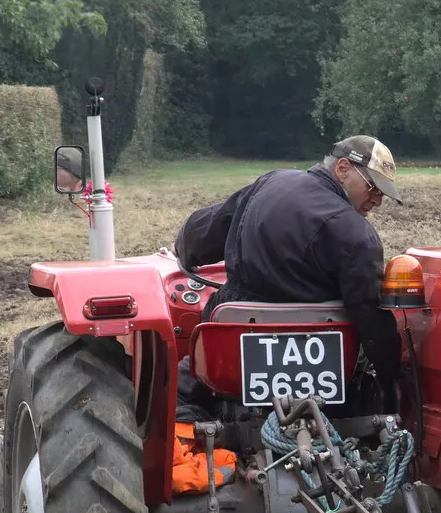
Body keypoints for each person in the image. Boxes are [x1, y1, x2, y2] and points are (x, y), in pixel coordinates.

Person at [174, 135, 405, 391]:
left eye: (383, 194)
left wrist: (186, 249)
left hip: (233, 337)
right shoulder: (359, 234)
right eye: (373, 188)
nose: (378, 200)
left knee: (180, 390)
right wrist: (391, 378)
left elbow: (209, 229)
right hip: (321, 357)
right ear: (342, 169)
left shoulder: (272, 182)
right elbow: (370, 316)